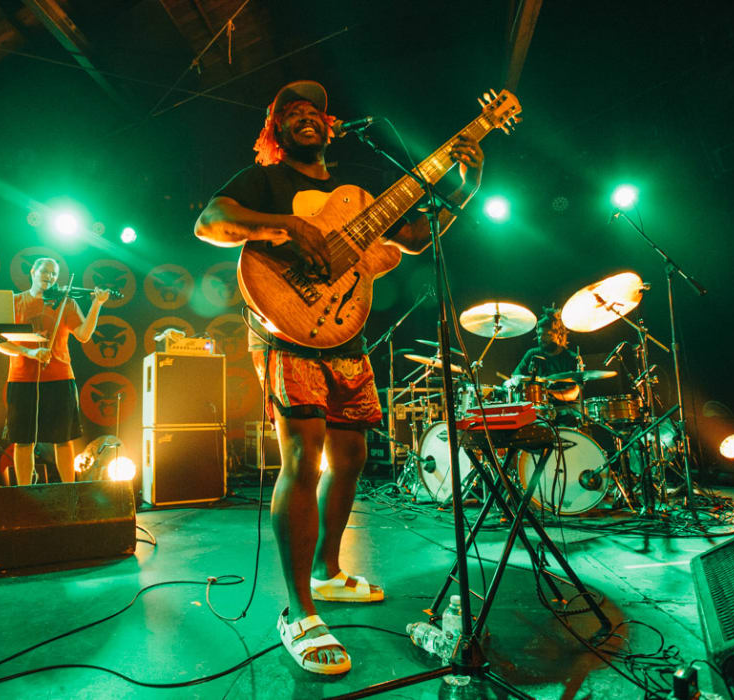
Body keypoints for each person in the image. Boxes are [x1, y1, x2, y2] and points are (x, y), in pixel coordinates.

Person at [194, 80, 484, 675]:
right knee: (303, 455)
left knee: (349, 453)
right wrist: (286, 226)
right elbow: (209, 221)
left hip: (345, 330)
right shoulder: (266, 181)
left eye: (314, 112)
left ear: (330, 126)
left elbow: (412, 237)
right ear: (276, 132)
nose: (305, 116)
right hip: (285, 327)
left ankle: (326, 572)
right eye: (290, 113)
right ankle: (297, 610)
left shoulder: (357, 189)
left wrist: (463, 186)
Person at [0, 257, 108, 487]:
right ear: (33, 271)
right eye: (45, 272)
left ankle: (69, 491)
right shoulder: (15, 302)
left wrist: (97, 305)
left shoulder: (65, 302)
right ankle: (24, 492)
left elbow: (84, 335)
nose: (49, 277)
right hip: (22, 379)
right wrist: (29, 353)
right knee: (23, 440)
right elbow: (0, 342)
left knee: (63, 439)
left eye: (54, 274)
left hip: (59, 377)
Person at [511, 305, 580, 404]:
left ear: (559, 335)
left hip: (564, 409)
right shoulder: (532, 354)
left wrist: (548, 393)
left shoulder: (571, 358)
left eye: (547, 335)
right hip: (539, 408)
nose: (541, 338)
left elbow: (574, 393)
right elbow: (516, 377)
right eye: (539, 334)